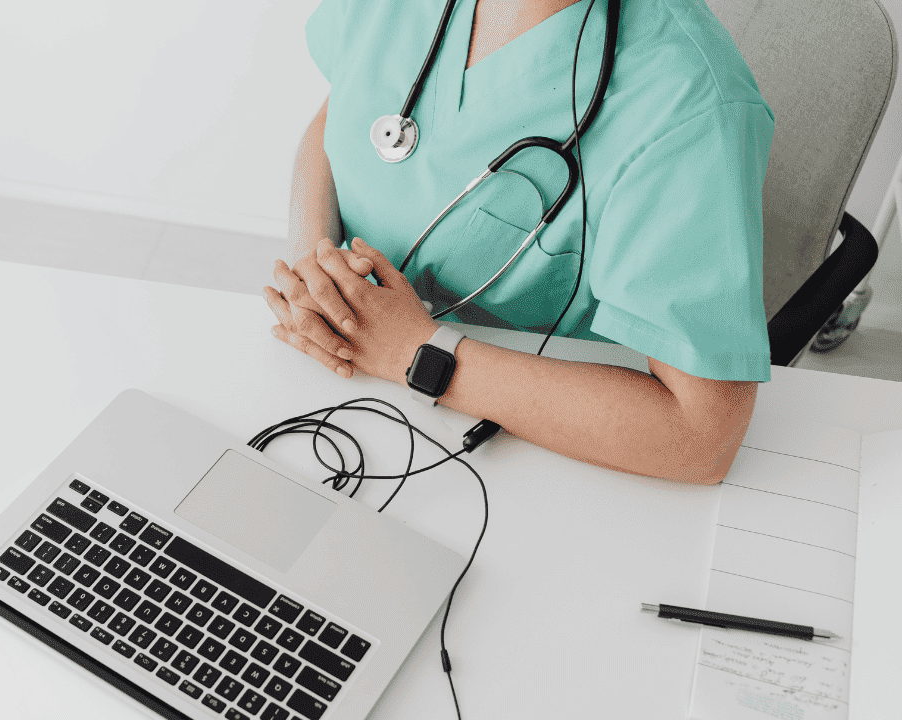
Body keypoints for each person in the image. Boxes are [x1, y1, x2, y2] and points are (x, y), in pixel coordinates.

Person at [262, 0, 775, 484]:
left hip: (524, 447)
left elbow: (703, 437)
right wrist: (318, 272)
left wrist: (417, 354)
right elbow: (336, 121)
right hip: (335, 383)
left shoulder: (690, 103)